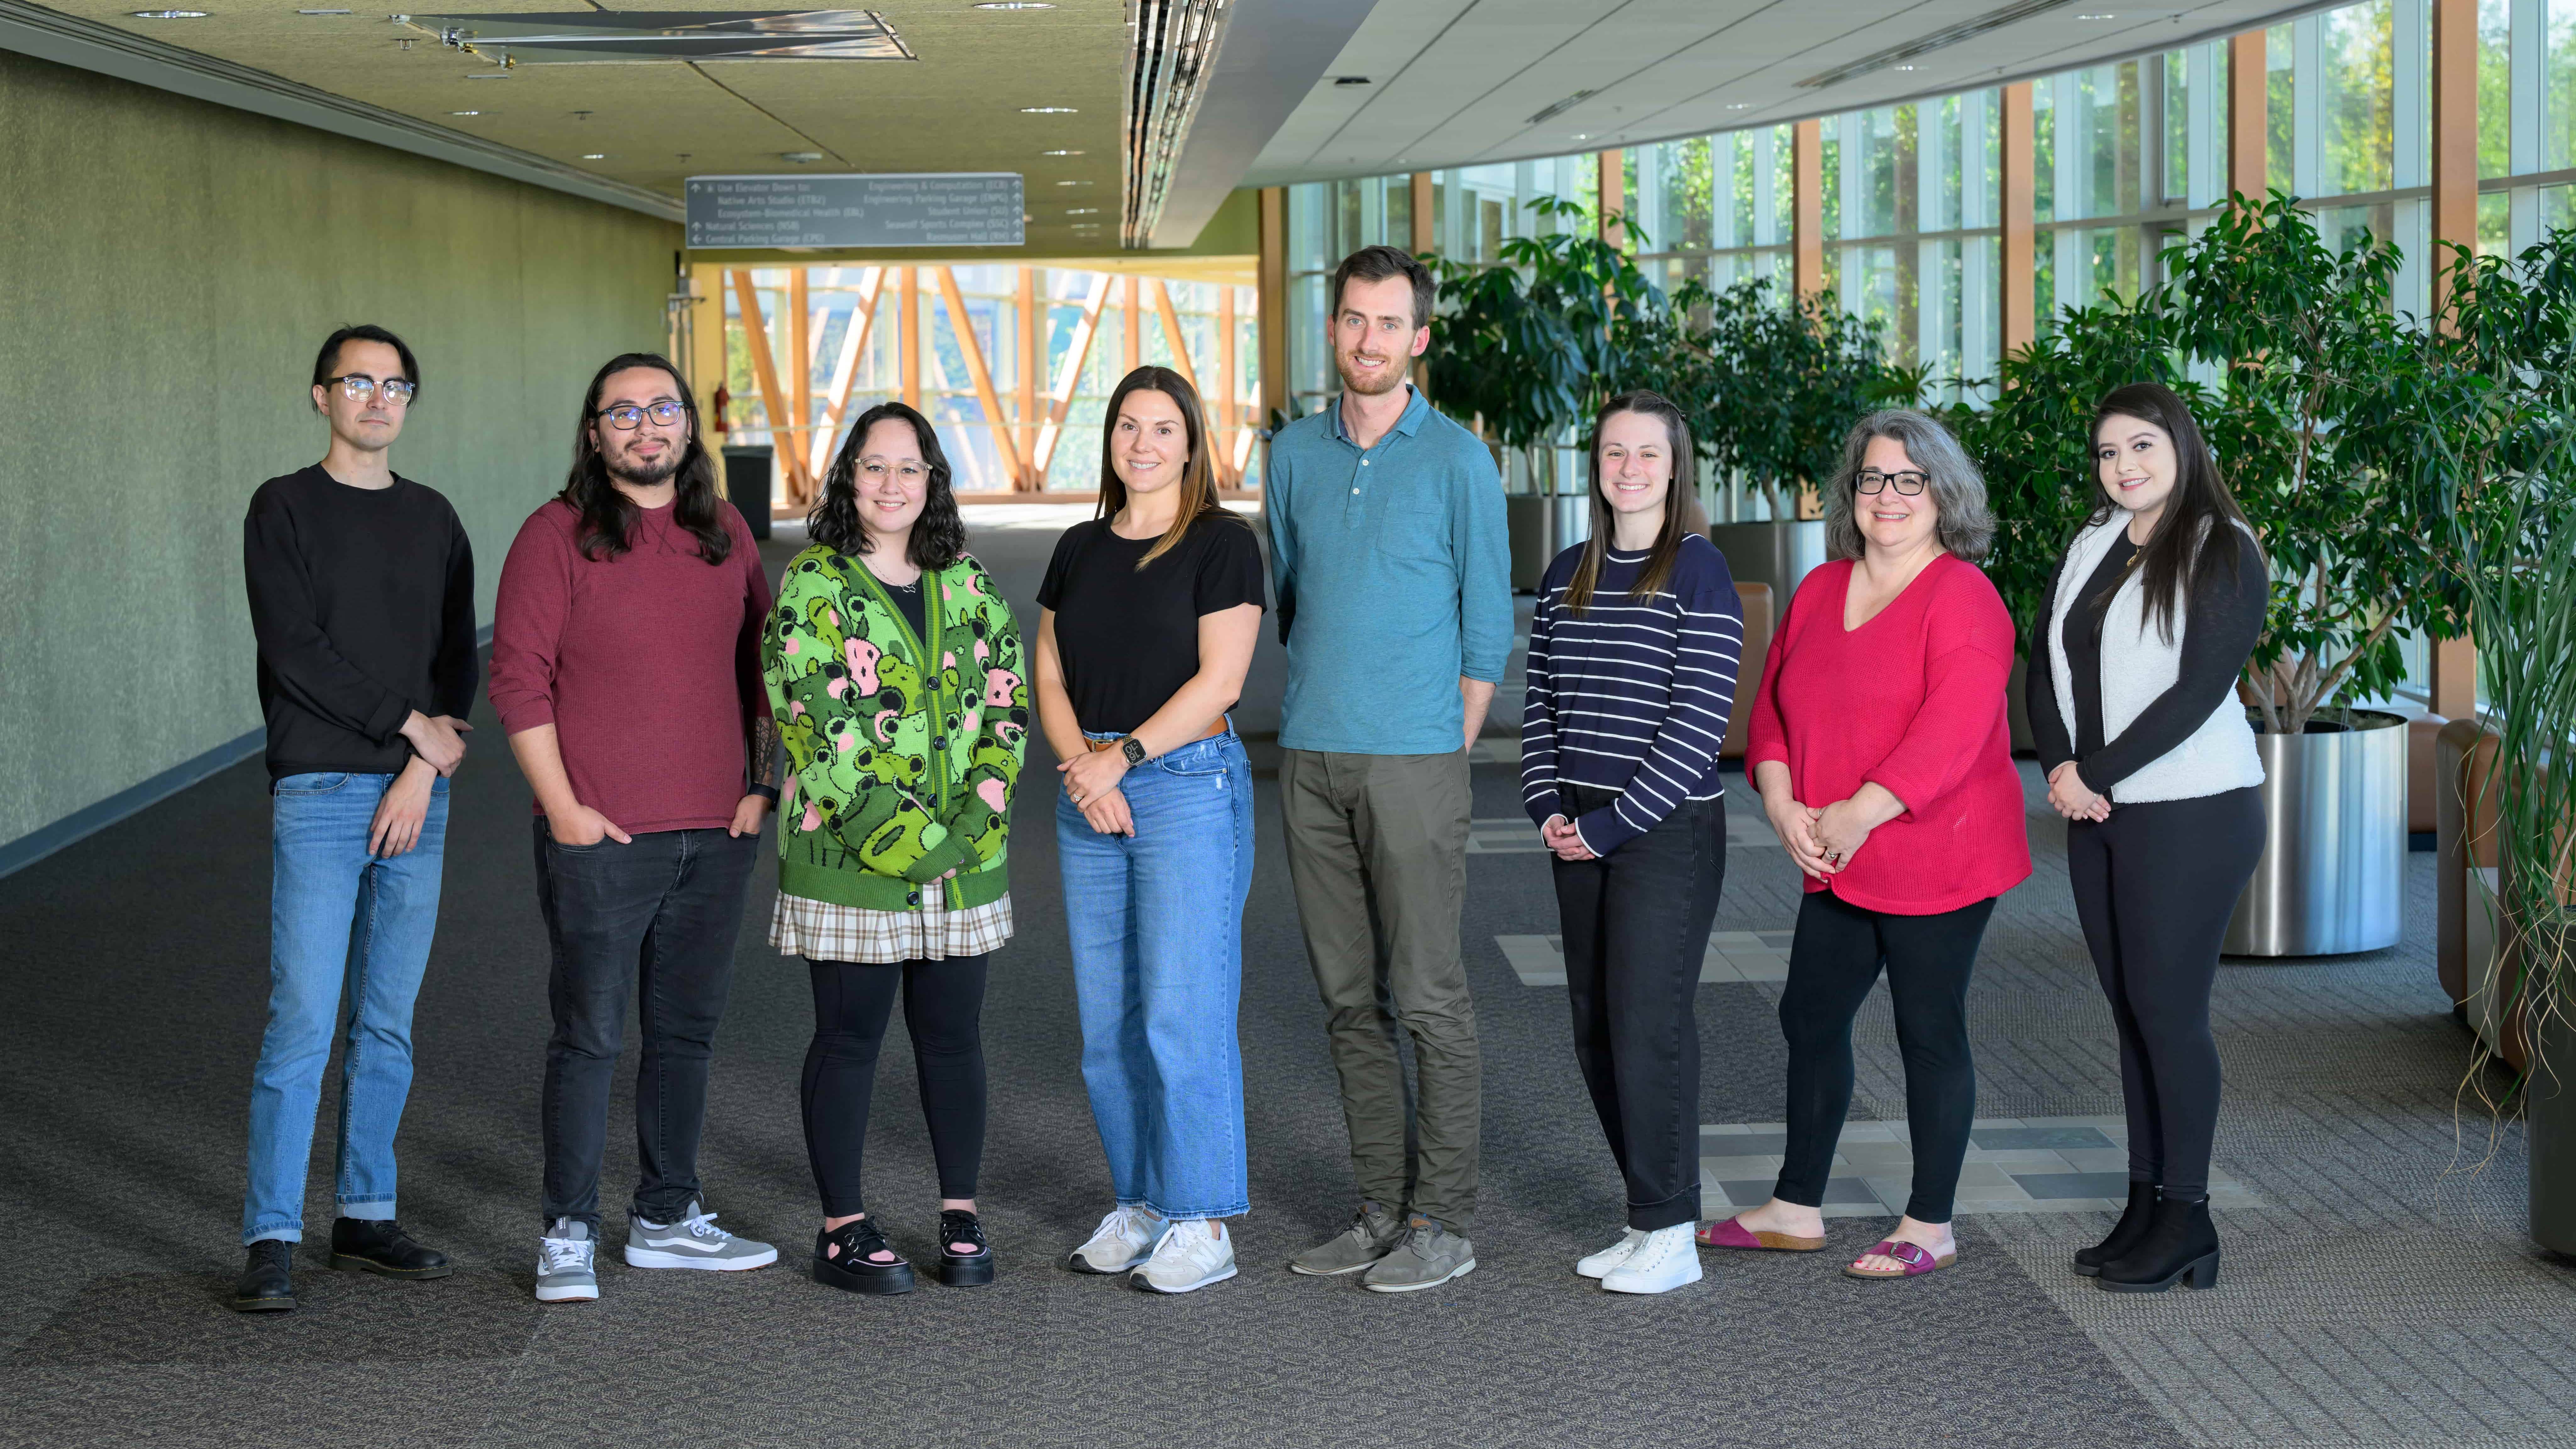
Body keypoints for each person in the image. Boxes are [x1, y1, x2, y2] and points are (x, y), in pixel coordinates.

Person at [1704, 409, 2030, 1281]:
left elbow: (1953, 730)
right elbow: (1771, 701)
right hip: (1835, 853)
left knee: (1927, 1030)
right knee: (1808, 1016)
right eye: (1872, 479)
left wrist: (1857, 811)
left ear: (1941, 494)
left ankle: (1930, 1222)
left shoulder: (1964, 595)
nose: (1888, 496)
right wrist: (1779, 797)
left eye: (1909, 480)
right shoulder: (1820, 587)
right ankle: (1793, 1206)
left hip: (1936, 848)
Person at [490, 352, 779, 1304]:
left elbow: (772, 668)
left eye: (662, 409)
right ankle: (567, 1228)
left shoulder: (724, 531)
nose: (645, 426)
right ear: (593, 433)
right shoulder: (553, 535)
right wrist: (564, 809)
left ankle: (664, 1213)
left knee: (685, 1035)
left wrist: (762, 786)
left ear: (688, 426)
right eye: (623, 413)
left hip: (718, 830)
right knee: (590, 1036)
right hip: (600, 838)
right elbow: (517, 680)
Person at [1268, 245, 1513, 1293]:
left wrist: (1440, 741)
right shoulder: (1291, 454)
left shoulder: (1457, 459)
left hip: (1415, 759)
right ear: (1334, 328)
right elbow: (1285, 592)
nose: (1367, 341)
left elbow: (1486, 621)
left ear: (1418, 339)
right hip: (1310, 757)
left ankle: (1441, 1218)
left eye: (1388, 324)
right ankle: (1377, 1207)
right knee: (1343, 996)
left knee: (1427, 994)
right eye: (1351, 320)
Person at [232, 325, 476, 1313]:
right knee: (301, 1019)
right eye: (357, 382)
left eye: (394, 384)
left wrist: (423, 761)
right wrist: (409, 728)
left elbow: (459, 657)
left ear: (408, 400)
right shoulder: (281, 507)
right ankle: (271, 1234)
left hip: (420, 793)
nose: (377, 398)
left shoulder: (435, 516)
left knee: (387, 1020)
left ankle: (365, 1214)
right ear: (320, 396)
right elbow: (295, 650)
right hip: (323, 795)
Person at [763, 401, 1028, 1297]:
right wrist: (919, 846)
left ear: (932, 481)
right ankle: (841, 1225)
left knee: (953, 1038)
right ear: (847, 478)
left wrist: (971, 830)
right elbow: (816, 729)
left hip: (964, 862)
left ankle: (960, 1210)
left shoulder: (972, 582)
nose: (890, 484)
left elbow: (1004, 707)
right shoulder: (811, 585)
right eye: (872, 467)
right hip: (853, 867)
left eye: (908, 468)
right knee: (849, 1038)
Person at [2026, 382, 2266, 1294]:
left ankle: (2190, 1216)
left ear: (2180, 448)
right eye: (2107, 452)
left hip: (2191, 809)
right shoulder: (2092, 540)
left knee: (2169, 1013)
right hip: (2098, 808)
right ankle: (2145, 1198)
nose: (2121, 466)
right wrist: (2059, 767)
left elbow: (2195, 692)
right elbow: (2041, 660)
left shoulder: (2221, 549)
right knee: (2130, 1014)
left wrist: (2097, 773)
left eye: (2140, 447)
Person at [1036, 367, 1266, 1295]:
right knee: (1108, 1025)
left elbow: (1221, 681)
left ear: (1191, 442)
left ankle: (1202, 1216)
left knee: (1182, 1012)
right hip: (1086, 784)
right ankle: (1140, 1200)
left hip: (1184, 782)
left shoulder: (1221, 542)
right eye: (1127, 426)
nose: (1142, 443)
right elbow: (1046, 671)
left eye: (1162, 428)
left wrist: (1120, 758)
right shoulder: (1078, 545)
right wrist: (1084, 771)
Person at [1521, 391, 1743, 1295]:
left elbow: (1698, 726)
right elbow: (1537, 702)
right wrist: (1545, 806)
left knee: (1649, 1027)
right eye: (1614, 452)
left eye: (1646, 453)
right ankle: (1646, 1211)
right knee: (1595, 1030)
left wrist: (1607, 827)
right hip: (1574, 823)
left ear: (1673, 464)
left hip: (1666, 832)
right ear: (1597, 465)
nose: (1629, 468)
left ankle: (1673, 1228)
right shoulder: (1566, 570)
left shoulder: (1698, 572)